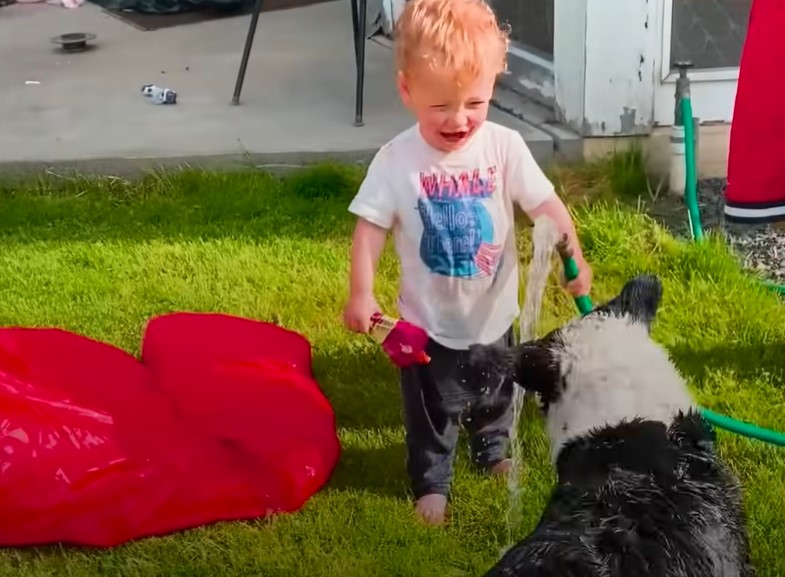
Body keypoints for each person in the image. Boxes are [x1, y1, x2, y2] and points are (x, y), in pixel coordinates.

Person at [342, 0, 592, 526]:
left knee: (496, 392)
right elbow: (370, 229)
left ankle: (492, 447)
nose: (459, 121)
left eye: (474, 103)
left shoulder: (504, 147)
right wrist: (362, 293)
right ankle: (431, 481)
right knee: (432, 411)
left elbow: (546, 207)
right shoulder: (397, 160)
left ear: (493, 87)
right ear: (408, 89)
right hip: (429, 323)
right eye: (441, 108)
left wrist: (575, 256)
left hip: (494, 313)